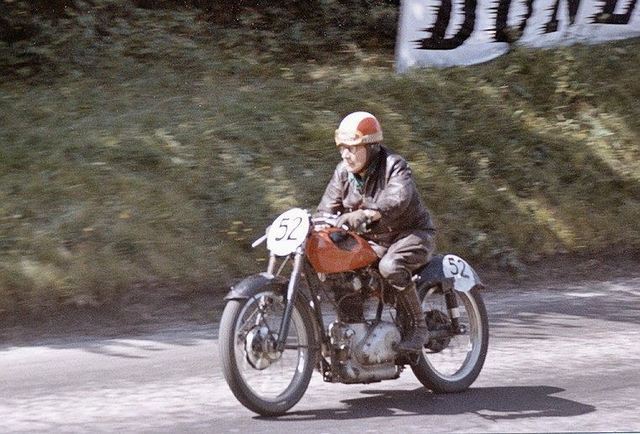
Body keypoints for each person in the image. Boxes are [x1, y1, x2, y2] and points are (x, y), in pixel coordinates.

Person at [317, 111, 437, 353]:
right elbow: (324, 211)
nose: (345, 154)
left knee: (390, 267)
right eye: (342, 148)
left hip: (410, 234)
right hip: (372, 241)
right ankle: (354, 335)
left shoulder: (395, 165)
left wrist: (367, 213)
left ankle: (418, 327)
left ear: (370, 146)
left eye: (352, 148)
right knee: (337, 270)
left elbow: (398, 198)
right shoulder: (343, 173)